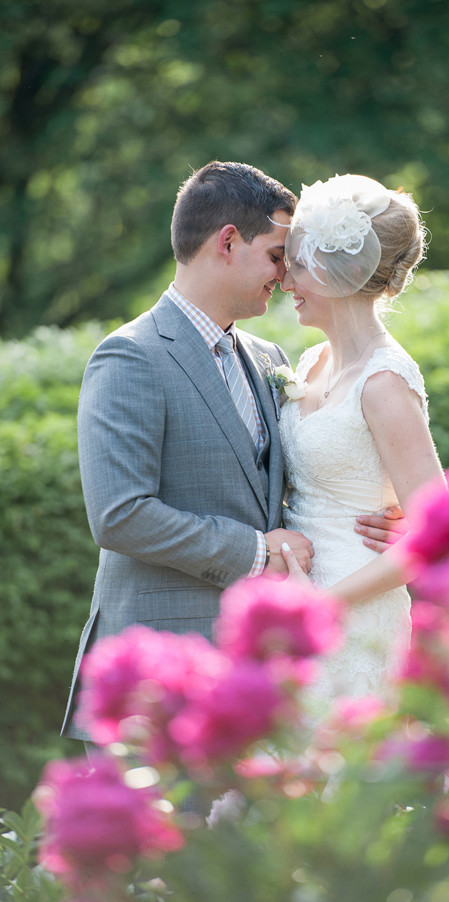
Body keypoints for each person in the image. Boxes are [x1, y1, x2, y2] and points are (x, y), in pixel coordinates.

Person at [61, 162, 399, 743]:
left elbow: (304, 473)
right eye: (276, 255)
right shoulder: (131, 356)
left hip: (254, 680)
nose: (287, 274)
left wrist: (380, 516)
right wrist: (253, 552)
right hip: (157, 675)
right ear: (226, 242)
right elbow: (119, 514)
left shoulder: (270, 357)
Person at [278, 174, 446, 702]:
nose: (287, 282)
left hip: (354, 607)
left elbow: (438, 531)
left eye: (299, 265)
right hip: (298, 604)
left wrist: (323, 604)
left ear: (339, 272)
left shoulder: (385, 382)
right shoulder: (312, 361)